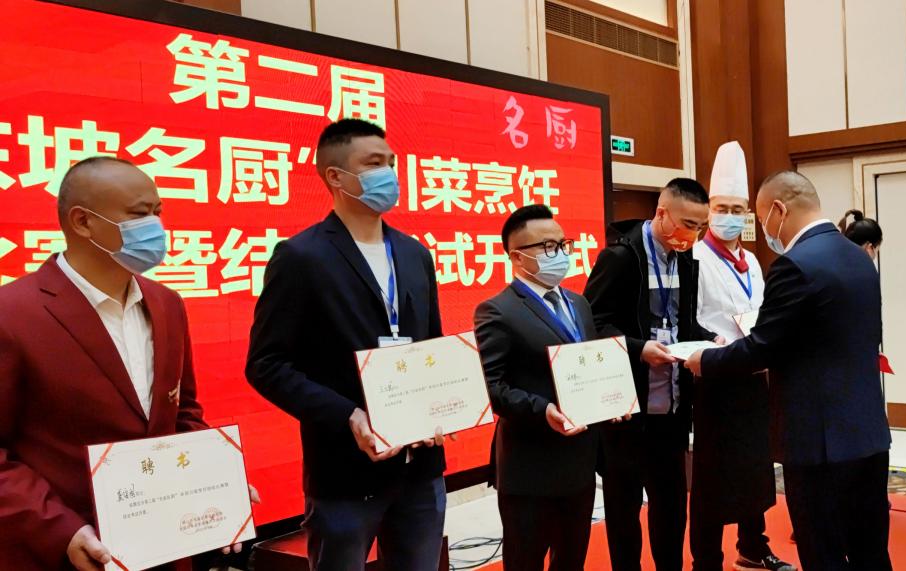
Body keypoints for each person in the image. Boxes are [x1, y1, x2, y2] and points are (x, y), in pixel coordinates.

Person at [0, 157, 254, 571]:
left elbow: (182, 414)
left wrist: (219, 483)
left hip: (166, 545)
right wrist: (61, 530)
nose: (155, 227)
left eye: (158, 212)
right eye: (139, 214)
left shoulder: (167, 304)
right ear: (83, 222)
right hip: (66, 552)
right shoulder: (11, 313)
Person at [246, 119, 447, 571]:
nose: (389, 174)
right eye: (374, 164)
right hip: (344, 473)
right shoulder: (301, 257)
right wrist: (348, 415)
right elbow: (266, 364)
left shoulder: (415, 253)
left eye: (391, 163)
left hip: (421, 467)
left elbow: (431, 347)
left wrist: (445, 401)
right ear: (336, 176)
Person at [686, 171, 892, 571]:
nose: (764, 230)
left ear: (778, 210)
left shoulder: (794, 264)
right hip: (866, 429)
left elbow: (763, 347)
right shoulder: (858, 255)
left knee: (822, 550)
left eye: (760, 218)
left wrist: (704, 360)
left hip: (818, 438)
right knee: (870, 549)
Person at [474, 205, 646, 570]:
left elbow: (589, 364)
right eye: (547, 247)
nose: (560, 254)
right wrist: (543, 410)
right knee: (525, 561)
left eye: (562, 244)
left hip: (580, 464)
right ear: (517, 256)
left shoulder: (578, 303)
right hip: (531, 467)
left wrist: (611, 399)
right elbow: (491, 386)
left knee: (571, 559)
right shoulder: (497, 310)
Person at [583, 178, 714, 571]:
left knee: (671, 504)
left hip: (671, 407)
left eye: (700, 227)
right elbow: (593, 323)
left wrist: (709, 340)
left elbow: (683, 323)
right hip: (627, 410)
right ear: (662, 214)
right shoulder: (620, 257)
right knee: (623, 508)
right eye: (688, 224)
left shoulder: (685, 258)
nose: (693, 234)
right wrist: (639, 349)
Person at [689, 143, 794, 571]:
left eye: (737, 209)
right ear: (708, 210)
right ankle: (706, 559)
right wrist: (711, 341)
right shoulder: (694, 257)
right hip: (713, 376)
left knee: (755, 466)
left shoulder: (751, 259)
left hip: (754, 372)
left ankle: (752, 545)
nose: (729, 216)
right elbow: (687, 320)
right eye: (721, 208)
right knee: (711, 476)